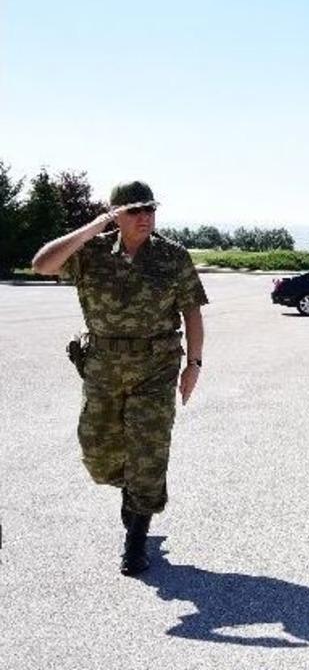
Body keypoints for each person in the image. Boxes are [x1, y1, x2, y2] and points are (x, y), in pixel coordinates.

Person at [32, 180, 208, 576]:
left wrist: (193, 365)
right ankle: (133, 493)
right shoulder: (90, 253)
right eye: (134, 210)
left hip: (156, 369)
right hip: (102, 370)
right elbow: (42, 263)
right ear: (115, 214)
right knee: (98, 457)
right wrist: (95, 226)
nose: (145, 217)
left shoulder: (172, 257)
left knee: (149, 452)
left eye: (150, 209)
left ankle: (136, 539)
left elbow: (192, 313)